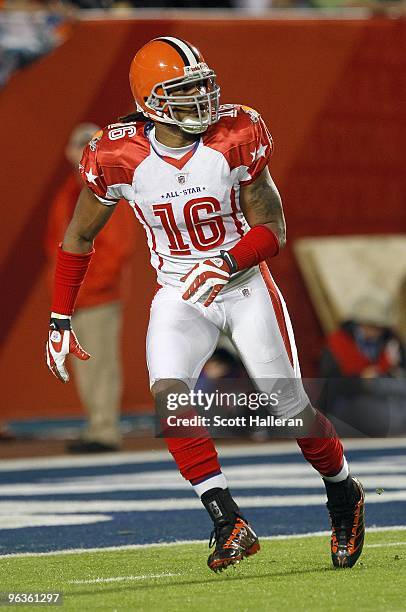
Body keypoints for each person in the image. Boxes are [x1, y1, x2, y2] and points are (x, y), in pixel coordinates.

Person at [45, 37, 365, 572]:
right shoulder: (117, 155)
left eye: (203, 86)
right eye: (185, 91)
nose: (203, 100)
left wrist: (226, 261)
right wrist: (59, 317)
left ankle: (343, 492)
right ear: (151, 101)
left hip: (242, 285)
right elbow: (78, 238)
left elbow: (272, 228)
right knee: (170, 399)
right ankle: (227, 519)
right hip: (179, 292)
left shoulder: (236, 135)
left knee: (292, 412)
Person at [45, 123, 135, 452]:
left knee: (100, 362)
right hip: (78, 297)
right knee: (86, 365)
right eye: (79, 144)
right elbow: (55, 244)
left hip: (96, 295)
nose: (84, 149)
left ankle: (105, 430)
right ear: (69, 151)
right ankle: (97, 425)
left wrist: (86, 287)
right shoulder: (70, 190)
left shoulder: (107, 190)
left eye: (90, 143)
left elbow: (117, 248)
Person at [319, 292, 406, 436]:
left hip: (389, 397)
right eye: (370, 325)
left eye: (379, 326)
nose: (375, 331)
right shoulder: (337, 345)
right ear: (358, 322)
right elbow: (330, 386)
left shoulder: (391, 342)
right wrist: (361, 381)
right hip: (349, 402)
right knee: (385, 420)